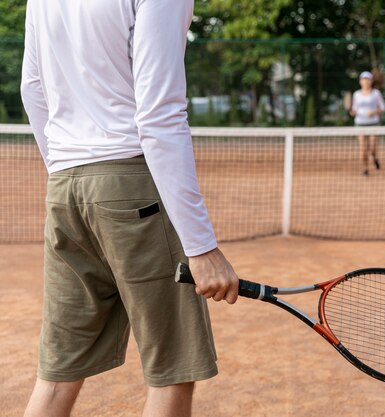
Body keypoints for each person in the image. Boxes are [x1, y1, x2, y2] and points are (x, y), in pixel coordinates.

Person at [20, 1, 239, 416]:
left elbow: (32, 88)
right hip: (132, 184)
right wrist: (201, 247)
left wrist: (70, 172)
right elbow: (159, 114)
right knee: (172, 369)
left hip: (66, 187)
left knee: (55, 377)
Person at [350, 71, 385, 176]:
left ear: (371, 81)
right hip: (360, 124)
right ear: (360, 81)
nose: (365, 82)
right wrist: (353, 112)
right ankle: (365, 169)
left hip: (373, 123)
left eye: (367, 79)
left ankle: (375, 158)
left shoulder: (376, 93)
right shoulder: (356, 94)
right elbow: (354, 109)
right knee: (363, 149)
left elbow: (383, 108)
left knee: (373, 148)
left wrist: (374, 112)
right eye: (363, 79)